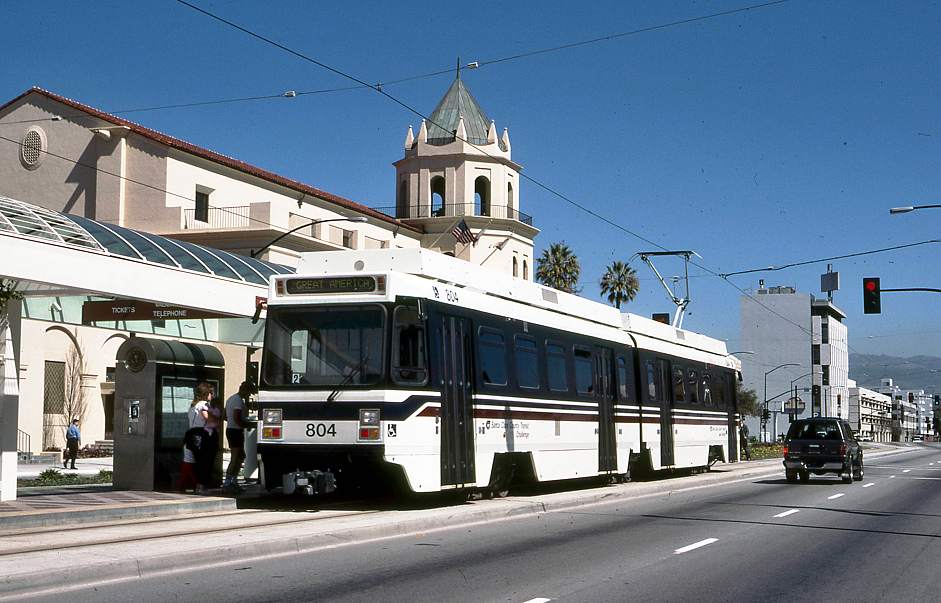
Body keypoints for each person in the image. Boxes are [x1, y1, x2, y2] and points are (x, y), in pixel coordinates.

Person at [182, 382, 220, 493]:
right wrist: (216, 419)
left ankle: (197, 484)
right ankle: (201, 485)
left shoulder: (192, 406)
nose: (211, 396)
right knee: (205, 461)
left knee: (197, 461)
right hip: (201, 434)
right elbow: (207, 417)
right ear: (206, 393)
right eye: (210, 393)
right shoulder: (204, 405)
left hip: (191, 434)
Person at [223, 381, 257, 490]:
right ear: (244, 390)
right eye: (248, 393)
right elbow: (237, 417)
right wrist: (247, 424)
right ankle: (228, 482)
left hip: (231, 429)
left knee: (241, 456)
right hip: (235, 431)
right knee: (235, 457)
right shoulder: (237, 400)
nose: (248, 395)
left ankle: (233, 480)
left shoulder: (231, 399)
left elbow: (225, 416)